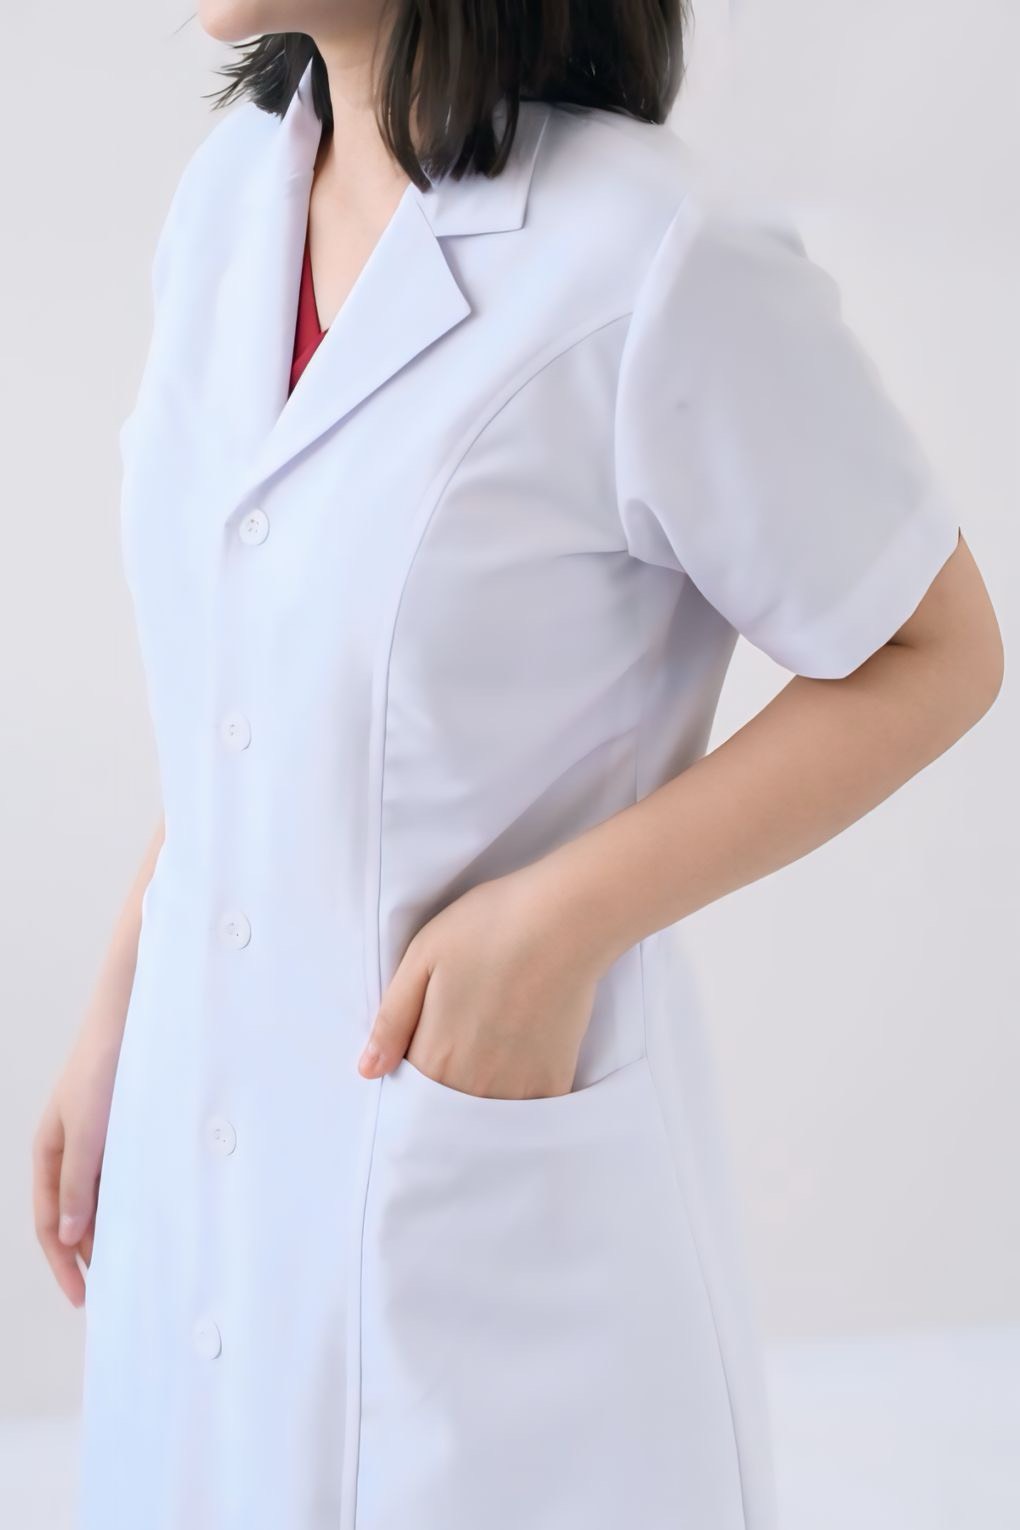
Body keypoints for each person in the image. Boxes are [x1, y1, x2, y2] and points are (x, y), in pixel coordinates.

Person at [33, 6, 1003, 1530]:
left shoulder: (655, 256)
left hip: (482, 1204)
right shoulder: (230, 196)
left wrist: (556, 925)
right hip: (199, 1163)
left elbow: (933, 649)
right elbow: (248, 678)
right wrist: (125, 993)